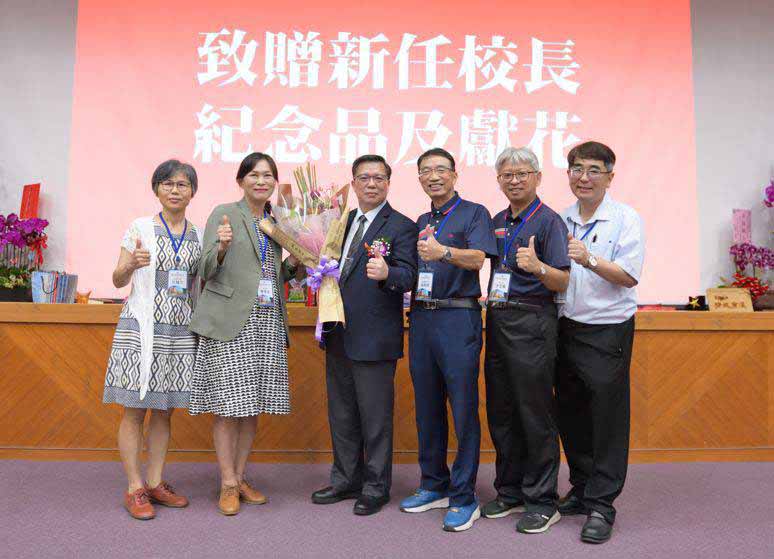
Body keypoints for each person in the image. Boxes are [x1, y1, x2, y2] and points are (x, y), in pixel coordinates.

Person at [188, 152, 297, 516]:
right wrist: (220, 248)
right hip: (230, 320)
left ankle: (240, 475)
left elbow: (274, 274)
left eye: (268, 176)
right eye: (254, 175)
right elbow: (203, 268)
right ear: (241, 181)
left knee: (252, 405)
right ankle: (227, 483)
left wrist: (300, 259)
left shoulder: (277, 220)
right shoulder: (225, 213)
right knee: (227, 406)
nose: (261, 181)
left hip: (267, 321)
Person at [311, 154, 418, 516]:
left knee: (375, 420)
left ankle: (375, 487)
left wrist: (389, 273)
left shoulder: (401, 226)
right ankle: (345, 480)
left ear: (388, 183)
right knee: (342, 415)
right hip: (337, 332)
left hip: (375, 337)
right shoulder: (339, 224)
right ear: (353, 183)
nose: (371, 184)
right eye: (364, 178)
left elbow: (410, 276)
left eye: (378, 178)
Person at [399, 148, 497, 532]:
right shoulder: (422, 220)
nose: (434, 176)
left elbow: (478, 259)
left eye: (441, 169)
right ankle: (433, 484)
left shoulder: (474, 213)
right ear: (419, 179)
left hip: (459, 317)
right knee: (427, 406)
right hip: (422, 318)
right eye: (426, 171)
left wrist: (444, 252)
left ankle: (463, 496)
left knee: (463, 408)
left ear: (455, 175)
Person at [103, 159, 203, 520]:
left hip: (180, 332)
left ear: (192, 192)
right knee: (134, 410)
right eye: (167, 184)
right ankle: (135, 487)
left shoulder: (200, 234)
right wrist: (131, 264)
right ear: (156, 189)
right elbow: (117, 279)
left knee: (164, 410)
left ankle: (156, 482)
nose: (175, 190)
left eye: (182, 184)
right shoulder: (140, 227)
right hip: (141, 329)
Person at [555, 141, 645, 544]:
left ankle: (603, 505)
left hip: (607, 330)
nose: (584, 177)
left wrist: (588, 258)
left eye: (594, 170)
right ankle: (582, 486)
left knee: (607, 419)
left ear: (610, 177)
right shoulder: (560, 218)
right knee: (570, 412)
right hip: (564, 327)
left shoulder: (626, 219)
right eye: (577, 169)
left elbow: (628, 275)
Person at [483, 146, 570, 534]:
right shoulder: (497, 220)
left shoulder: (549, 222)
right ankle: (511, 490)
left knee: (534, 413)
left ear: (537, 177)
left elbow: (562, 280)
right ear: (499, 181)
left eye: (522, 174)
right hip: (497, 318)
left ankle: (542, 500)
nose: (514, 180)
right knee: (502, 410)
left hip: (532, 321)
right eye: (507, 175)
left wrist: (538, 267)